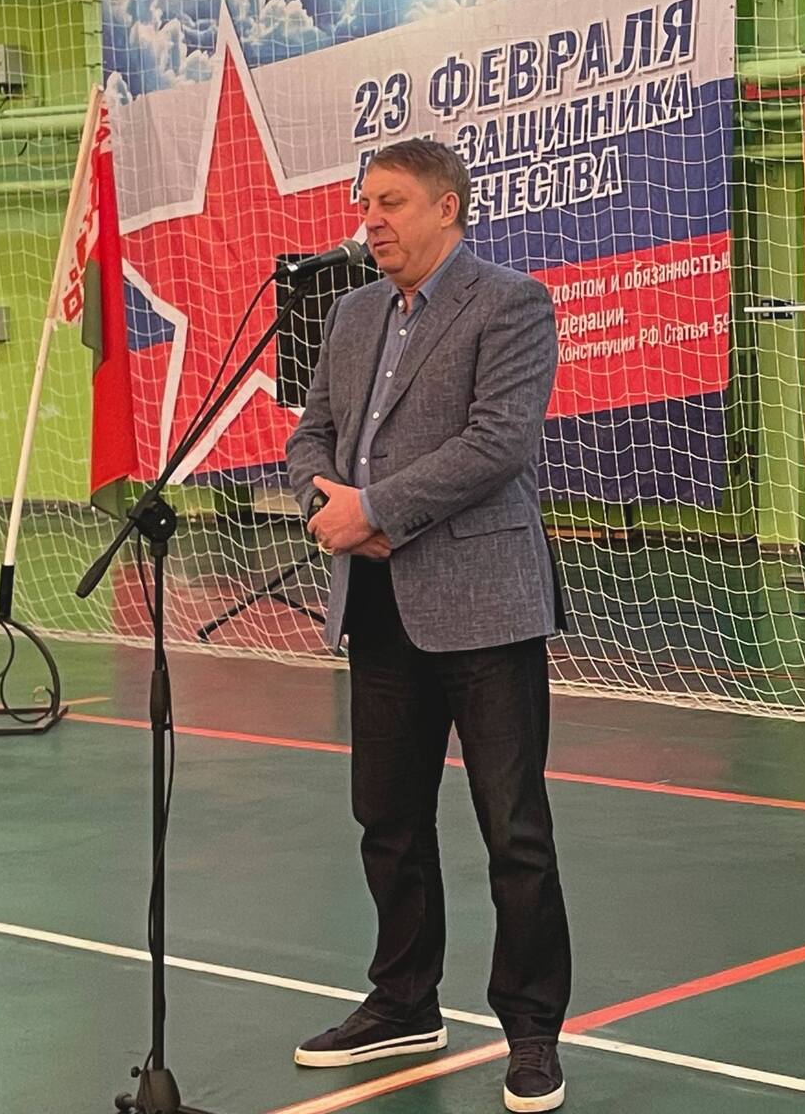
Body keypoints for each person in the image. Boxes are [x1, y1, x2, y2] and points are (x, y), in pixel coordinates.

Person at [284, 137, 570, 1113]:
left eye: (392, 202)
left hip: (484, 603)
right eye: (366, 204)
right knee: (388, 820)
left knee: (513, 831)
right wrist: (325, 503)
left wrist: (374, 509)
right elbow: (313, 432)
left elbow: (497, 444)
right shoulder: (353, 312)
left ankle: (531, 1031)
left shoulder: (511, 303)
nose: (371, 221)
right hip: (378, 604)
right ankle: (405, 1000)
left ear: (447, 208)